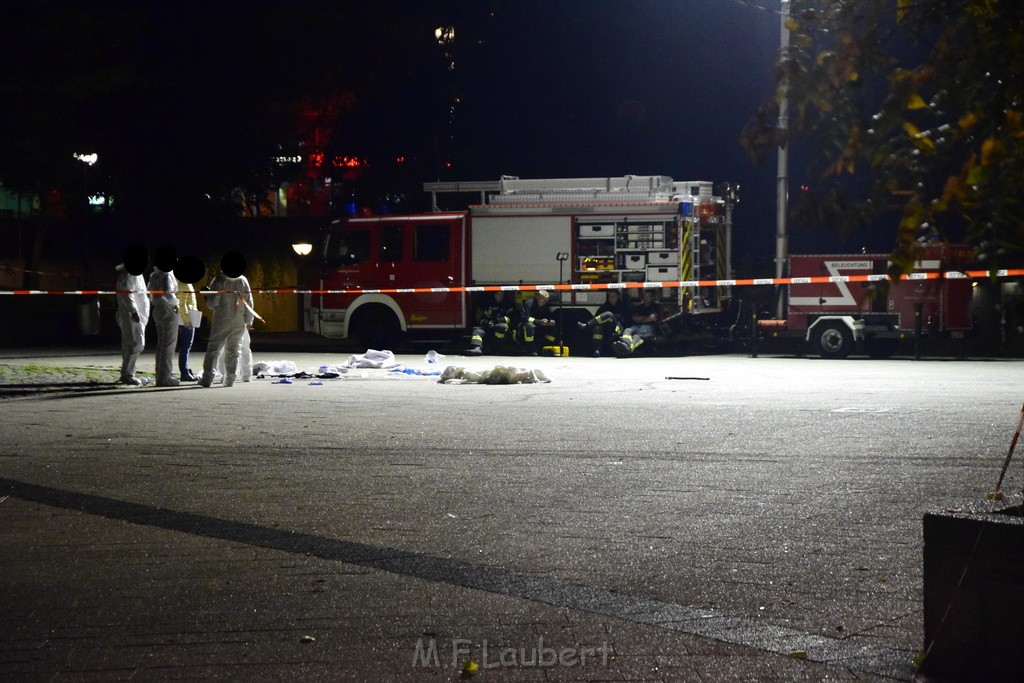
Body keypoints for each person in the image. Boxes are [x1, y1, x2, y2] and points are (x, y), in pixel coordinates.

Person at [200, 252, 254, 388]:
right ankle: (230, 379)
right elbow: (249, 302)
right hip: (239, 321)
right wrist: (249, 321)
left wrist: (207, 298)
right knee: (234, 350)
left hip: (221, 319)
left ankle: (207, 378)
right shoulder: (243, 280)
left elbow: (213, 303)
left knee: (214, 349)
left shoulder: (219, 280)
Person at [115, 243, 150, 386]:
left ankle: (129, 373)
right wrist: (133, 311)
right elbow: (127, 294)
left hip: (138, 316)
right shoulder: (127, 275)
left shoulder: (136, 274)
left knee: (133, 344)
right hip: (132, 317)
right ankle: (127, 374)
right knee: (135, 343)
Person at [149, 245, 180, 386]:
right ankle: (165, 377)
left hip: (157, 309)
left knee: (161, 344)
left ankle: (160, 376)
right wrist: (175, 304)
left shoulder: (153, 275)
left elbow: (151, 294)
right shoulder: (167, 275)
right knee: (168, 345)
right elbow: (168, 293)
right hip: (168, 310)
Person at [173, 255, 206, 382]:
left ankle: (185, 370)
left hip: (186, 318)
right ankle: (185, 372)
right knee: (186, 346)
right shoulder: (183, 284)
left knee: (185, 347)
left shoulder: (184, 282)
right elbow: (181, 304)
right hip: (185, 320)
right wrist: (186, 320)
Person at [577, 289, 633, 357]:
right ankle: (597, 350)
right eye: (610, 297)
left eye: (613, 296)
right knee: (597, 327)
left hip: (617, 329)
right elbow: (596, 317)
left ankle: (587, 326)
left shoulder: (622, 306)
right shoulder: (605, 306)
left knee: (609, 314)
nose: (611, 298)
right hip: (606, 329)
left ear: (618, 297)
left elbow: (626, 320)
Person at [465, 290, 516, 356]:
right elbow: (480, 318)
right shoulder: (487, 304)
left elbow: (510, 319)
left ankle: (496, 348)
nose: (501, 297)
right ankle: (476, 348)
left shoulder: (507, 305)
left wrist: (496, 321)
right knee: (477, 330)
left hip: (501, 329)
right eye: (499, 295)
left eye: (502, 295)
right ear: (495, 295)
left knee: (502, 326)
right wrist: (487, 323)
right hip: (488, 327)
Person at [613, 288, 662, 358]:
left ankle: (628, 348)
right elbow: (635, 318)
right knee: (627, 330)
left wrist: (640, 319)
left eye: (648, 297)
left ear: (652, 298)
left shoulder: (655, 306)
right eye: (644, 296)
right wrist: (646, 318)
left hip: (649, 327)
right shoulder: (640, 307)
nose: (645, 298)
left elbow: (652, 318)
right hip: (637, 325)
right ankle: (625, 347)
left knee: (637, 335)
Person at [519, 289, 558, 356]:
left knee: (553, 327)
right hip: (526, 328)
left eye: (546, 300)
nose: (544, 302)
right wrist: (538, 321)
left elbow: (547, 315)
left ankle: (549, 348)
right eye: (543, 300)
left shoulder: (544, 305)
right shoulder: (529, 304)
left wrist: (550, 321)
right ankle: (530, 350)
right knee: (530, 326)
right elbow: (524, 317)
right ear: (537, 297)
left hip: (540, 327)